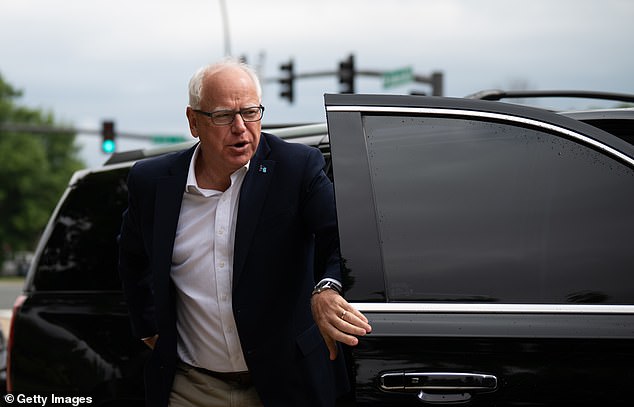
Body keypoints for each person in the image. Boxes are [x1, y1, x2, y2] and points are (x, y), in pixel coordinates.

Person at [118, 58, 372, 407]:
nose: (241, 127)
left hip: (285, 384)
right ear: (194, 121)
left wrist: (327, 288)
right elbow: (132, 257)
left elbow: (341, 238)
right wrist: (147, 326)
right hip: (191, 386)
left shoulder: (296, 168)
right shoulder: (152, 183)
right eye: (223, 116)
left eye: (251, 112)